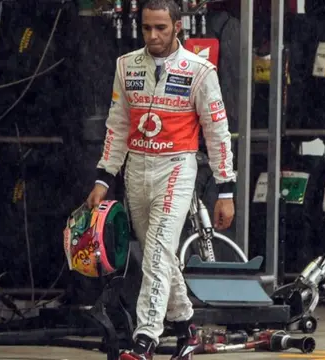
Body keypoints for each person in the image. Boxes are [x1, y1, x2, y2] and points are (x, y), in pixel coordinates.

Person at [85, 0, 236, 358]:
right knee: (161, 255)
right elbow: (117, 125)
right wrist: (103, 179)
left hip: (178, 166)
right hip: (136, 167)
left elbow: (218, 133)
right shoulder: (126, 65)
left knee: (156, 252)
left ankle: (145, 340)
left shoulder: (200, 70)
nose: (153, 35)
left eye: (161, 28)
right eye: (147, 28)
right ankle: (187, 329)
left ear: (178, 27)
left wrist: (225, 190)